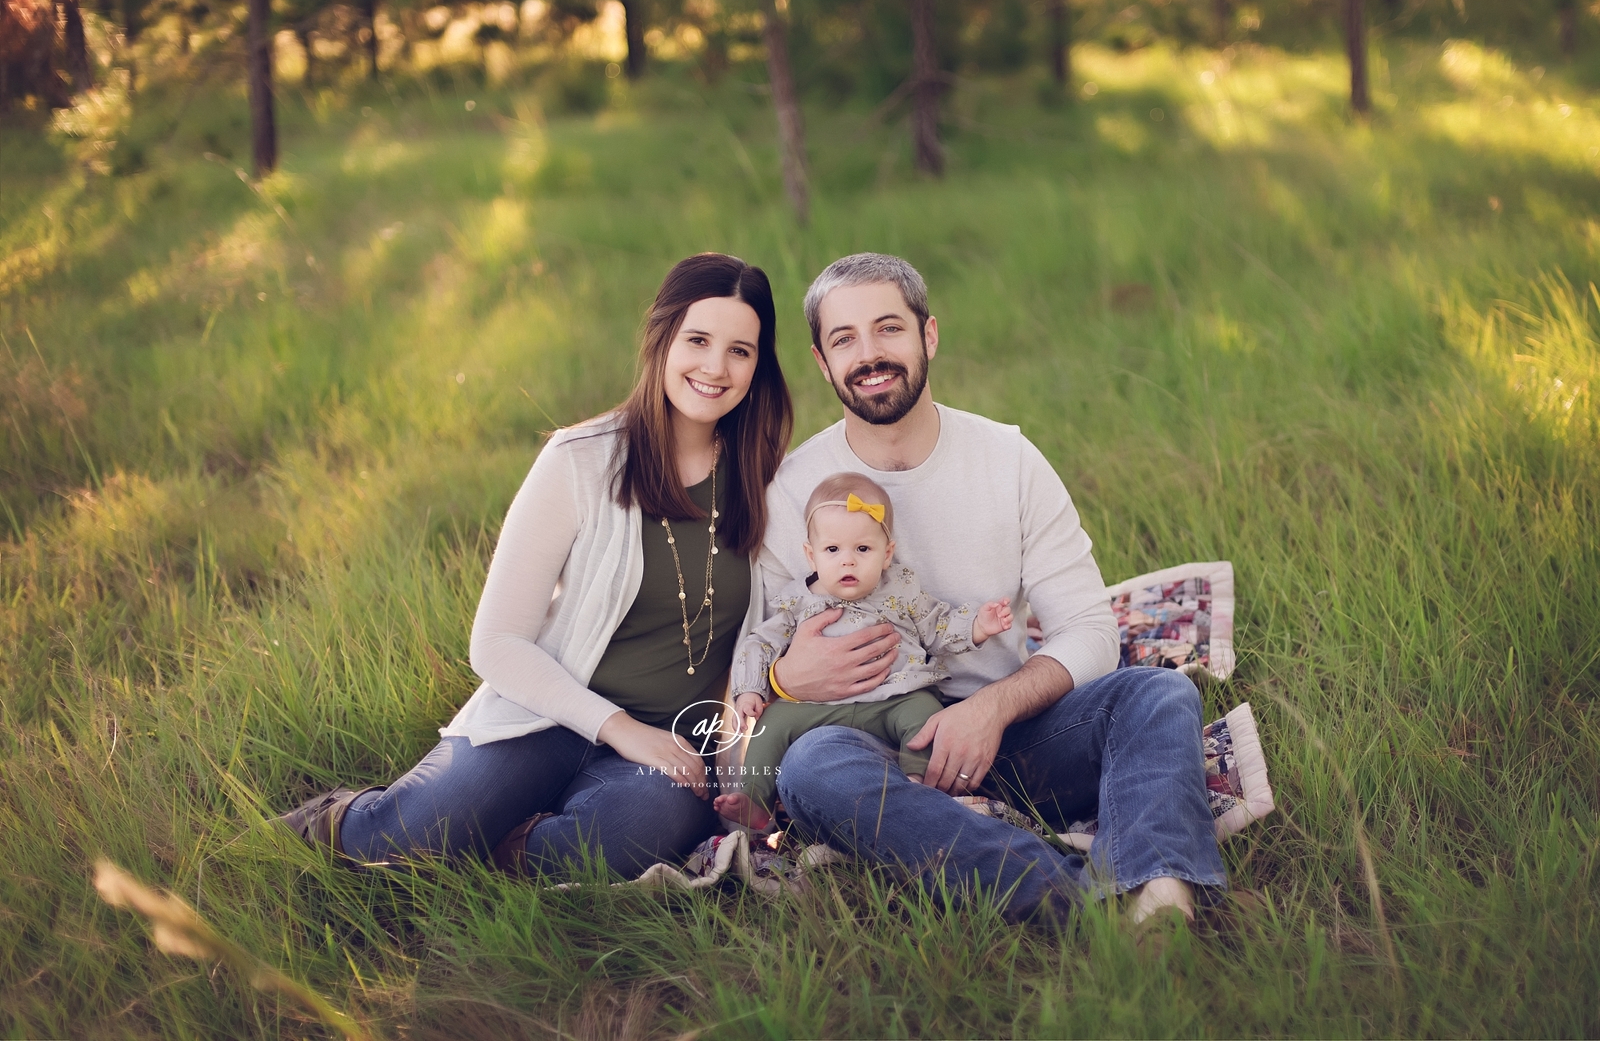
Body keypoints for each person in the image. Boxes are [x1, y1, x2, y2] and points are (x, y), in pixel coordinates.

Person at [277, 253, 793, 879]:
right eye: (698, 340)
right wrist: (620, 727)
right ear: (660, 341)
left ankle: (503, 844)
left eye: (740, 350)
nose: (715, 368)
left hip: (673, 744)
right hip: (549, 714)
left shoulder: (769, 481)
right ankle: (345, 820)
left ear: (759, 365)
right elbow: (496, 643)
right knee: (409, 838)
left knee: (631, 836)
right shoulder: (580, 460)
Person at [761, 253, 1226, 926]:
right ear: (821, 362)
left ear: (930, 336)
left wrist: (995, 708)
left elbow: (1091, 630)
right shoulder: (793, 488)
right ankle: (1070, 899)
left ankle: (1156, 891)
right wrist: (785, 678)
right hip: (879, 749)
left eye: (889, 328)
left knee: (1157, 693)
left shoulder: (1008, 460)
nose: (870, 354)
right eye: (845, 339)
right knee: (810, 768)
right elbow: (754, 645)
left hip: (1014, 737)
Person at [713, 471, 1013, 830]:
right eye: (833, 550)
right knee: (772, 724)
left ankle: (918, 780)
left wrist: (979, 626)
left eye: (863, 549)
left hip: (895, 696)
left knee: (926, 715)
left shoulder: (901, 591)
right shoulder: (799, 601)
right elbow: (762, 642)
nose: (848, 561)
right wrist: (750, 688)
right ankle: (754, 800)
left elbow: (937, 626)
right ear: (811, 555)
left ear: (887, 554)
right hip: (817, 709)